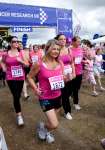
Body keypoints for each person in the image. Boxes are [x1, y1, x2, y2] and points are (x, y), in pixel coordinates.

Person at [27, 39, 64, 143]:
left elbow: (61, 77)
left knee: (53, 121)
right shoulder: (39, 64)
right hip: (45, 97)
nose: (56, 51)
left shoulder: (60, 62)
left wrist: (66, 78)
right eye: (53, 49)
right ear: (47, 49)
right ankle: (44, 128)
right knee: (54, 124)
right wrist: (35, 89)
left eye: (58, 49)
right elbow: (29, 77)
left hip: (58, 95)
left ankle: (45, 130)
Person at [0, 36, 28, 126]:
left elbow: (27, 65)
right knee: (16, 96)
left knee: (18, 95)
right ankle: (19, 116)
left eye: (17, 41)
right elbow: (2, 61)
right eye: (14, 41)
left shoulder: (22, 53)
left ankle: (17, 103)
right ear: (10, 43)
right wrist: (4, 68)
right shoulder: (6, 53)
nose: (16, 43)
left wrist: (22, 61)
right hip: (10, 77)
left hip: (20, 77)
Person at [55, 34, 75, 120]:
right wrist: (61, 75)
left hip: (70, 75)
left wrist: (74, 73)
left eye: (64, 39)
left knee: (69, 93)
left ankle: (60, 105)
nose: (63, 40)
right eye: (61, 39)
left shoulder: (69, 50)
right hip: (60, 76)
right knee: (65, 94)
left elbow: (72, 63)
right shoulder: (55, 51)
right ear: (57, 40)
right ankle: (67, 111)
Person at [70, 36, 83, 110]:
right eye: (78, 41)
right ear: (73, 42)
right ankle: (76, 103)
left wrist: (85, 61)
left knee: (77, 88)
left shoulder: (81, 49)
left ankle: (72, 95)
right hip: (72, 72)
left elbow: (81, 59)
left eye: (80, 41)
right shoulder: (69, 50)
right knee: (74, 89)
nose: (79, 43)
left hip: (79, 71)